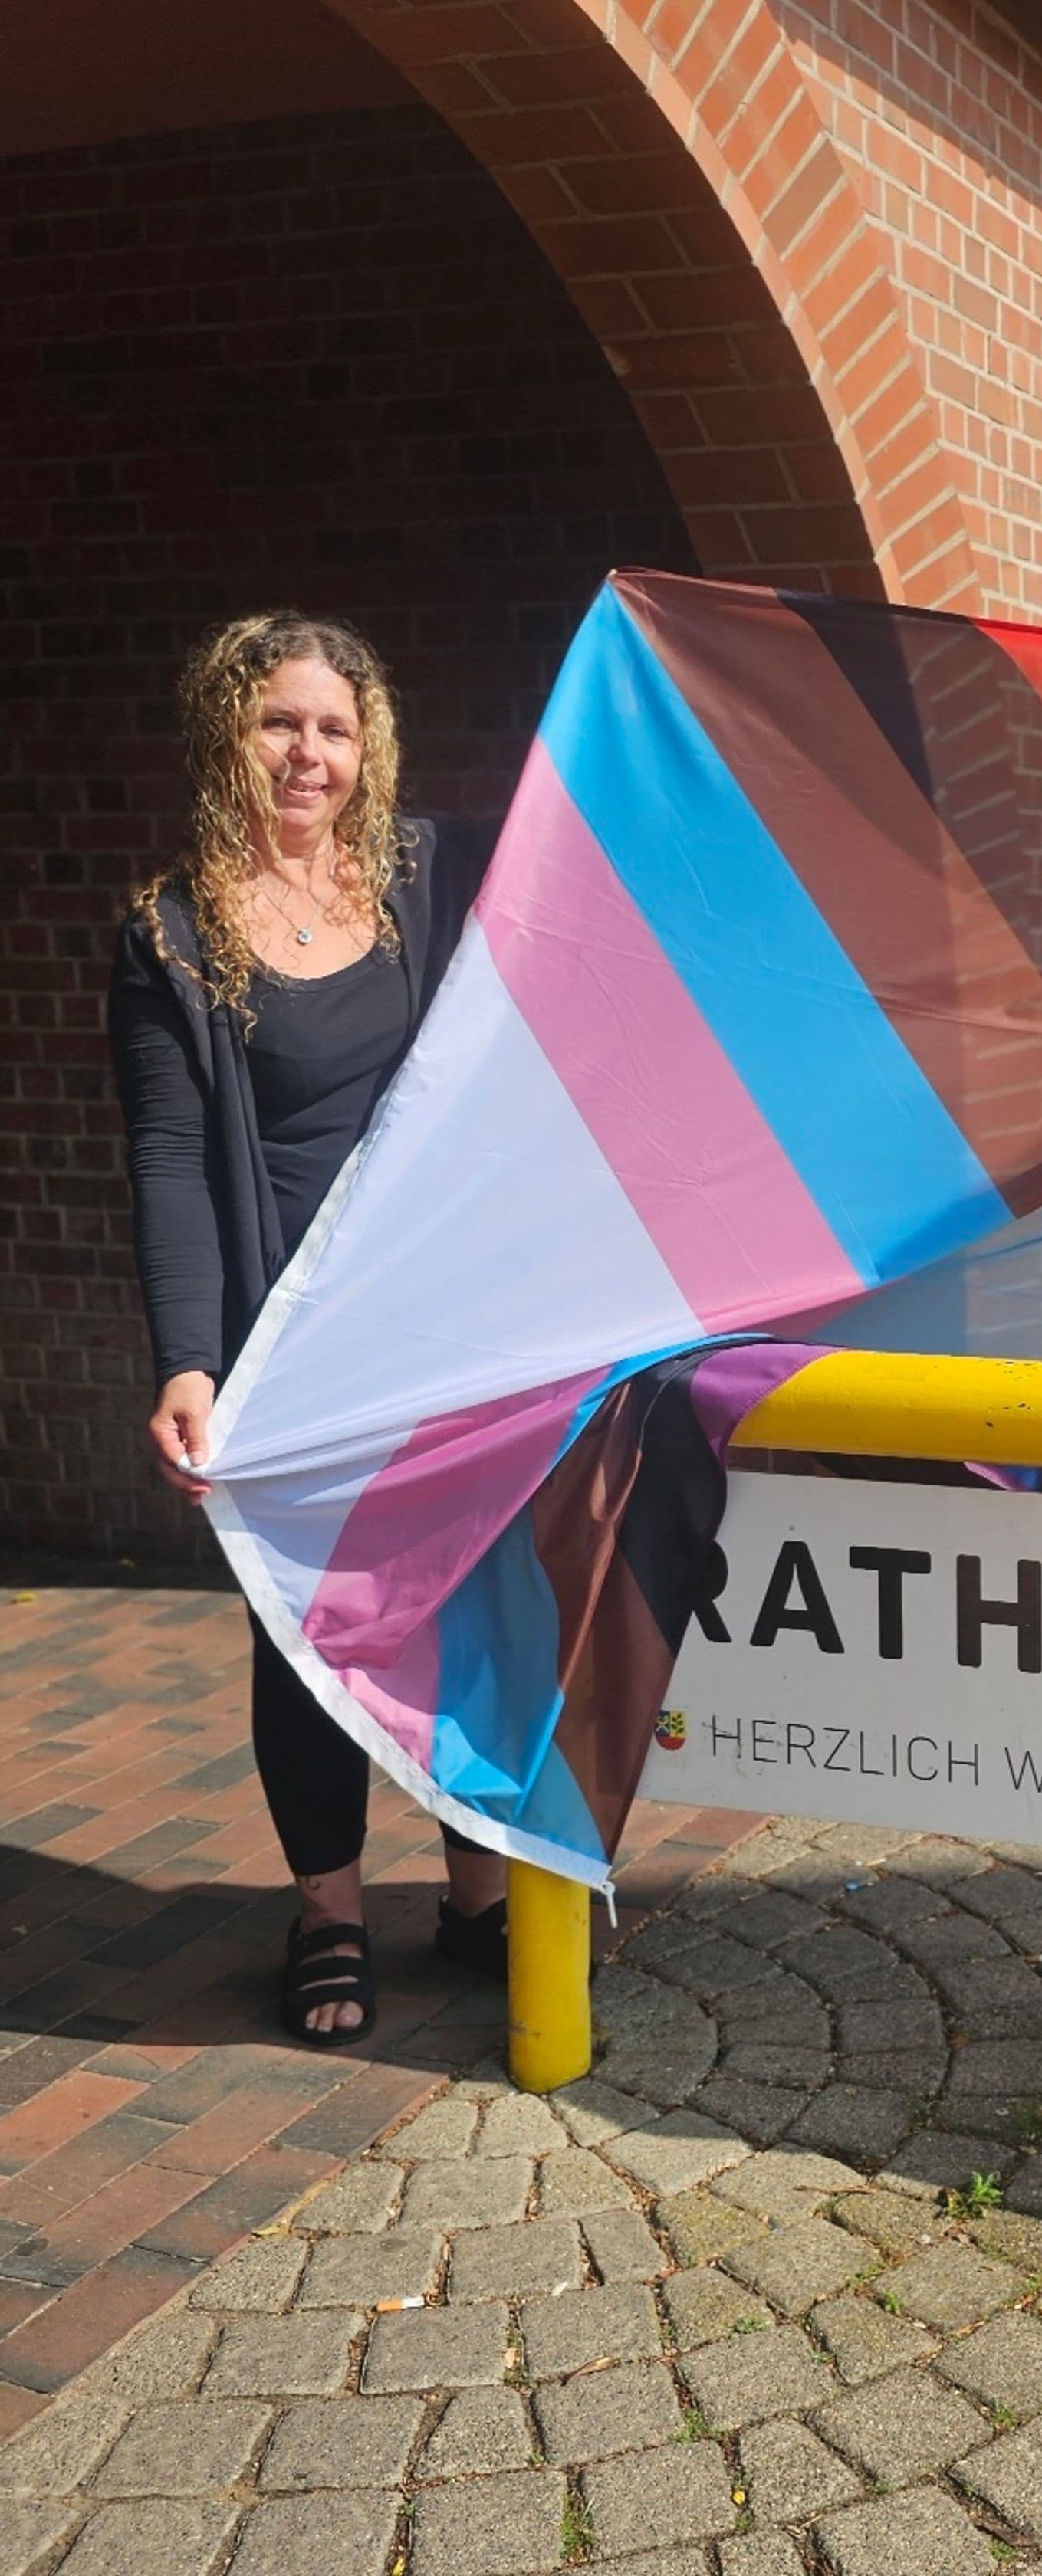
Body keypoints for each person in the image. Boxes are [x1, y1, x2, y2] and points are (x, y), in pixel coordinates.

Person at [110, 613, 502, 2045]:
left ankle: (474, 1889)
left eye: (335, 729)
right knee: (304, 1633)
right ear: (231, 732)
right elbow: (167, 1159)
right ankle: (329, 1912)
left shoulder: (426, 880)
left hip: (437, 1323)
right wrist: (187, 1358)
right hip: (291, 1344)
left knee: (462, 1611)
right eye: (282, 722)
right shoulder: (172, 933)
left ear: (368, 747)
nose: (310, 754)